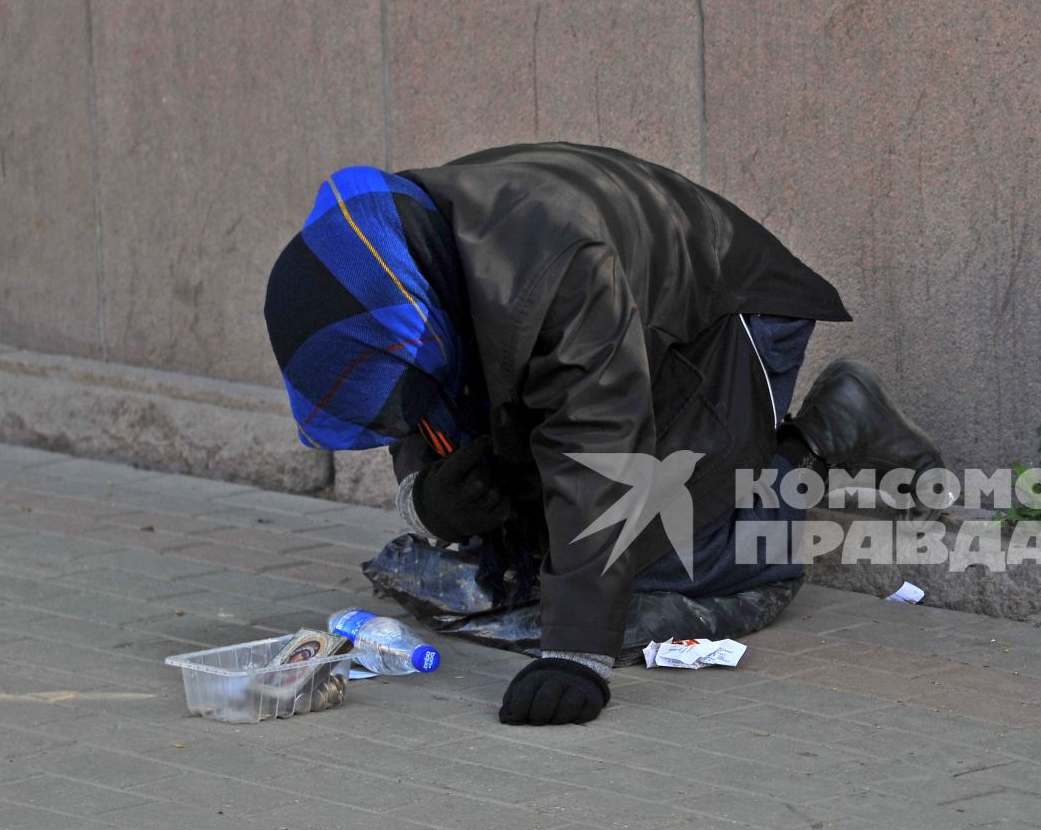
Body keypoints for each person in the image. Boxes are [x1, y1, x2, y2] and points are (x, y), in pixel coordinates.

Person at [263, 142, 944, 725]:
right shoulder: (392, 257)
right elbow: (415, 393)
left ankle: (825, 433)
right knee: (535, 550)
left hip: (721, 326)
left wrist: (576, 655)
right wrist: (429, 496)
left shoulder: (554, 271)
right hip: (624, 333)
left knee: (674, 568)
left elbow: (601, 454)